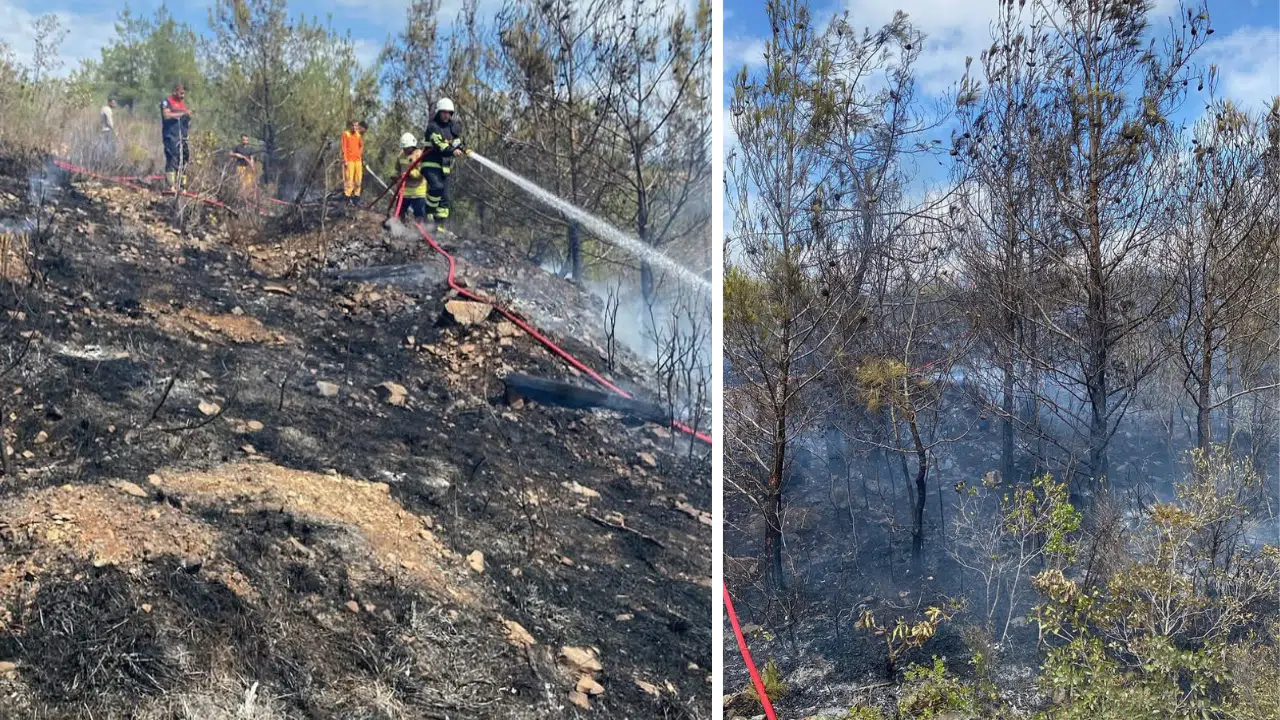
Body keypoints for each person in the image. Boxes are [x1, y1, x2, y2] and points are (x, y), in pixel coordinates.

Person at [422, 97, 467, 232]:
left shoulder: (452, 128)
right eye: (444, 112)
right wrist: (452, 151)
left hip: (444, 167)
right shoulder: (433, 127)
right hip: (431, 164)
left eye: (449, 113)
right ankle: (428, 213)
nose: (446, 115)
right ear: (439, 112)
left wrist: (463, 148)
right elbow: (439, 145)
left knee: (445, 198)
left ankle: (439, 226)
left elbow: (456, 141)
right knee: (437, 187)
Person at [160, 84, 193, 191]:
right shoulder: (166, 102)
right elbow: (166, 115)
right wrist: (183, 113)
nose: (183, 96)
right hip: (170, 136)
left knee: (184, 159)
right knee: (172, 158)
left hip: (182, 137)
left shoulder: (182, 104)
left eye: (184, 94)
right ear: (175, 92)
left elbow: (185, 120)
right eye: (181, 93)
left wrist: (188, 117)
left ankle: (182, 186)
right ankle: (171, 186)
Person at [394, 133, 428, 221]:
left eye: (406, 148)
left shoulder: (419, 155)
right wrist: (395, 176)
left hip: (418, 192)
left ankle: (421, 228)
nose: (404, 150)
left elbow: (423, 172)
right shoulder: (401, 155)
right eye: (403, 148)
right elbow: (397, 168)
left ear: (412, 146)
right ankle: (399, 227)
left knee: (419, 215)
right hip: (404, 191)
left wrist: (410, 174)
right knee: (400, 212)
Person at [341, 119, 364, 203]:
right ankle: (347, 195)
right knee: (349, 178)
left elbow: (361, 146)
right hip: (349, 160)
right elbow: (344, 147)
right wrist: (345, 159)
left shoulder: (358, 135)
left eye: (356, 126)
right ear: (350, 126)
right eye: (353, 125)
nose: (355, 127)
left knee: (358, 178)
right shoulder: (346, 134)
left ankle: (356, 196)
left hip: (357, 160)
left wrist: (359, 153)